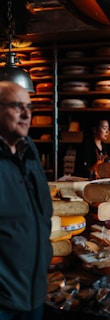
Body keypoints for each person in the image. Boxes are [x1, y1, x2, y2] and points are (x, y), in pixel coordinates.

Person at [0, 81, 53, 320]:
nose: (26, 114)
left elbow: (41, 215)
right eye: (17, 106)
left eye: (29, 107)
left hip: (33, 292)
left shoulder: (28, 150)